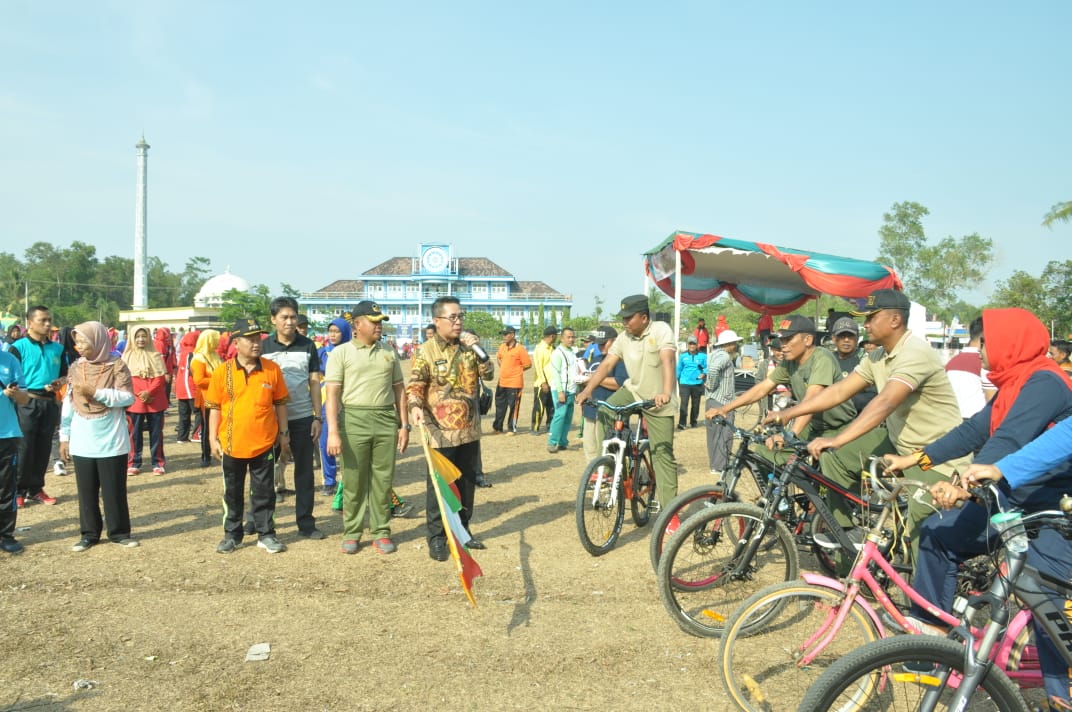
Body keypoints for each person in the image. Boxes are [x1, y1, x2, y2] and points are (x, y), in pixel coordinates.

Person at [882, 309, 1072, 646]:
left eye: (986, 342)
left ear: (1010, 343)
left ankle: (1059, 695)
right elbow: (974, 430)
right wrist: (916, 458)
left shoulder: (1046, 382)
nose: (980, 349)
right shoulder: (1016, 381)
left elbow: (1008, 441)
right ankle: (934, 632)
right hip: (1012, 495)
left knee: (1047, 604)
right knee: (937, 533)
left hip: (1046, 504)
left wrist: (962, 489)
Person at [766, 290, 966, 567]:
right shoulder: (877, 356)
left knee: (922, 534)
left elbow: (884, 403)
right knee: (832, 459)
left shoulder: (915, 352)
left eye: (872, 317)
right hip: (899, 443)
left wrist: (838, 438)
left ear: (895, 320)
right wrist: (788, 412)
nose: (866, 324)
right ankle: (850, 532)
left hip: (937, 455)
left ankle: (925, 605)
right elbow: (838, 392)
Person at [407, 296, 494, 562]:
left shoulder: (469, 348)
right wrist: (414, 406)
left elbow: (488, 375)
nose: (458, 322)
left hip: (468, 430)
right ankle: (437, 538)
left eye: (461, 317)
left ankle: (463, 532)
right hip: (440, 432)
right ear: (437, 321)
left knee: (466, 484)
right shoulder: (426, 350)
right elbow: (416, 383)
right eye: (453, 317)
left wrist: (479, 349)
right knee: (440, 487)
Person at [710, 316, 856, 464]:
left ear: (808, 340)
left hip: (840, 427)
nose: (782, 345)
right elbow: (762, 388)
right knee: (764, 453)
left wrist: (791, 434)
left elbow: (812, 399)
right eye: (782, 340)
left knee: (829, 470)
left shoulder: (822, 358)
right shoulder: (790, 362)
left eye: (788, 339)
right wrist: (725, 409)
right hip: (813, 425)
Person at [577, 294, 679, 503]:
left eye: (628, 318)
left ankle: (671, 512)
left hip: (659, 399)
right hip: (633, 391)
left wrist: (666, 392)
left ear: (643, 317)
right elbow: (606, 365)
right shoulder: (624, 337)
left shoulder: (661, 330)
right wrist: (588, 390)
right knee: (606, 410)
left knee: (662, 455)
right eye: (622, 318)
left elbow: (667, 361)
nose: (624, 323)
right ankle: (612, 464)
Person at [324, 301, 409, 555]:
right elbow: (332, 394)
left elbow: (399, 389)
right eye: (374, 321)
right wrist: (334, 431)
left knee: (383, 480)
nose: (379, 326)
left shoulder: (388, 351)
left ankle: (381, 531)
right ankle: (352, 532)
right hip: (354, 420)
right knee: (354, 480)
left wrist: (403, 425)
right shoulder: (341, 353)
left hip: (385, 420)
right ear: (357, 324)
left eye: (381, 321)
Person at [206, 318, 290, 555]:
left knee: (264, 492)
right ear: (236, 342)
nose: (256, 343)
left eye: (258, 338)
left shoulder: (271, 369)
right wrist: (212, 438)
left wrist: (284, 434)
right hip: (232, 444)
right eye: (250, 339)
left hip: (264, 443)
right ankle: (232, 535)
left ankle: (266, 534)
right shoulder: (223, 372)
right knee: (232, 492)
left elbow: (281, 404)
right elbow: (214, 407)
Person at [59, 322, 140, 552]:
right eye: (77, 341)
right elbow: (69, 402)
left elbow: (127, 397)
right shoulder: (75, 367)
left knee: (114, 489)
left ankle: (119, 532)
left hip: (111, 438)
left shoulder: (116, 365)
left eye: (83, 341)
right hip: (82, 438)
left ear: (97, 341)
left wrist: (96, 393)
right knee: (86, 491)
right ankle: (89, 534)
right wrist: (64, 436)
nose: (78, 346)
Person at [260, 296, 324, 540]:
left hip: (302, 417)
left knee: (305, 473)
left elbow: (315, 382)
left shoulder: (308, 346)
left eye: (293, 317)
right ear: (273, 320)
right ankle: (261, 521)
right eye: (284, 317)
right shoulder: (263, 347)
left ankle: (306, 523)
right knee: (264, 473)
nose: (289, 322)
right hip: (270, 420)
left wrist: (317, 417)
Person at [9, 306, 66, 507]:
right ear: (30, 323)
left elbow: (64, 373)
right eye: (43, 320)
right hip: (27, 402)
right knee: (25, 447)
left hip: (49, 402)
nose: (48, 324)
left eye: (49, 320)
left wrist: (59, 382)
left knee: (43, 447)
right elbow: (10, 376)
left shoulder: (57, 348)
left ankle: (36, 488)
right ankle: (18, 489)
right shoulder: (18, 347)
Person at [122, 326, 169, 476]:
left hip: (155, 399)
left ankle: (158, 462)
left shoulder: (155, 355)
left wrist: (149, 392)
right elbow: (124, 379)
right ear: (132, 338)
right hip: (135, 400)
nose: (141, 339)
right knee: (134, 434)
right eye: (137, 336)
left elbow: (160, 378)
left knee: (156, 433)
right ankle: (134, 462)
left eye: (143, 336)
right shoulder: (126, 357)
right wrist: (139, 393)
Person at [579, 328, 626, 461]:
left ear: (615, 341)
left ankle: (606, 474)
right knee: (590, 446)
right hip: (590, 410)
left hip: (608, 412)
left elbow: (619, 383)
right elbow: (589, 380)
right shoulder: (596, 358)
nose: (601, 346)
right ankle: (593, 476)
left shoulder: (620, 360)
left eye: (604, 343)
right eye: (599, 343)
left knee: (605, 448)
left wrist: (595, 379)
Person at [318, 316, 352, 498]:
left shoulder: (352, 351)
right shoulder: (322, 353)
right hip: (326, 402)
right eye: (330, 331)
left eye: (337, 331)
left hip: (348, 401)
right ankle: (329, 481)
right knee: (326, 443)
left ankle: (350, 478)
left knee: (349, 442)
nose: (332, 335)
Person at [0, 346, 29, 553]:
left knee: (6, 488)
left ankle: (6, 535)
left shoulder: (10, 360)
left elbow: (25, 398)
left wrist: (14, 393)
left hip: (7, 434)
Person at [704, 329, 742, 475]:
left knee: (713, 435)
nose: (737, 345)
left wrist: (710, 385)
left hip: (711, 400)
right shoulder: (725, 356)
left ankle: (714, 465)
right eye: (735, 343)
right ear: (730, 344)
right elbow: (713, 370)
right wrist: (712, 384)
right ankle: (720, 466)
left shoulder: (713, 354)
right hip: (723, 401)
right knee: (724, 435)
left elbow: (711, 370)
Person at [944, 316, 996, 420]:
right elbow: (992, 402)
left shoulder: (952, 362)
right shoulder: (985, 363)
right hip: (975, 423)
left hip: (951, 420)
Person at [830, 317, 878, 414]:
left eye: (850, 336)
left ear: (857, 338)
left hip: (859, 416)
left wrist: (843, 402)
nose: (846, 340)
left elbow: (874, 394)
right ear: (834, 339)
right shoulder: (827, 360)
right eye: (842, 336)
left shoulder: (867, 360)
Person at [492, 325, 532, 435]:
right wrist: (503, 366)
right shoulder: (502, 347)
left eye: (506, 334)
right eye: (503, 334)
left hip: (515, 383)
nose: (504, 336)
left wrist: (517, 370)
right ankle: (498, 427)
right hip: (502, 382)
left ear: (512, 335)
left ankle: (511, 428)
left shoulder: (520, 349)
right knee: (500, 406)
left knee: (513, 407)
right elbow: (499, 357)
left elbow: (528, 364)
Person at [191, 329, 222, 468]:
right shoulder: (199, 358)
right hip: (205, 398)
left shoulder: (214, 355)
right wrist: (217, 380)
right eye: (215, 339)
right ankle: (205, 455)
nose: (217, 342)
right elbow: (199, 380)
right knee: (208, 428)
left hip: (219, 396)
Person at [547, 327, 578, 453]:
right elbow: (555, 373)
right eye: (568, 337)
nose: (571, 339)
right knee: (560, 415)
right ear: (562, 338)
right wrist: (560, 391)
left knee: (568, 417)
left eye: (572, 337)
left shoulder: (572, 352)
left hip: (571, 389)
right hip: (561, 390)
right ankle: (552, 442)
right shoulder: (558, 353)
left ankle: (562, 441)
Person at [174, 329, 201, 443]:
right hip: (190, 387)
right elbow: (193, 371)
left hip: (181, 388)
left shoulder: (182, 352)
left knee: (184, 414)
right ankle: (196, 435)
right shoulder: (193, 353)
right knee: (198, 412)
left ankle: (182, 436)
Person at [531, 326, 557, 435]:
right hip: (542, 384)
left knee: (551, 407)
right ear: (552, 336)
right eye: (556, 336)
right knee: (539, 407)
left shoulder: (552, 348)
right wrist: (543, 382)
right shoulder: (540, 348)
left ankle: (550, 425)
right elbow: (538, 366)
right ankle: (535, 427)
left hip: (553, 383)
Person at [676, 336, 706, 430]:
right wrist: (676, 379)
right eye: (690, 343)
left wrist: (704, 373)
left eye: (694, 343)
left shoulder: (703, 356)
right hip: (684, 383)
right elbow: (679, 368)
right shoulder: (683, 356)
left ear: (697, 345)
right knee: (684, 403)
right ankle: (682, 423)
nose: (692, 345)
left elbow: (707, 367)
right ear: (688, 345)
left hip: (697, 383)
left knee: (696, 404)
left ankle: (693, 422)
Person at [153, 327, 177, 403]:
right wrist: (165, 373)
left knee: (167, 388)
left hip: (168, 370)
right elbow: (161, 360)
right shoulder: (160, 344)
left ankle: (166, 403)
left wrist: (174, 367)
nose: (169, 336)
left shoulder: (167, 344)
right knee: (163, 389)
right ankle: (163, 405)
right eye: (168, 334)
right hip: (163, 372)